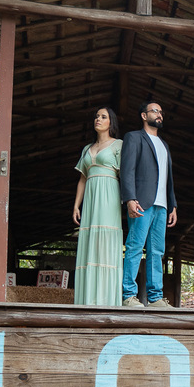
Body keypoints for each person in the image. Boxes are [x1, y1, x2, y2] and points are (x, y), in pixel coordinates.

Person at [120, 101, 177, 308]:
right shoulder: (134, 138)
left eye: (161, 112)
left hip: (162, 206)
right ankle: (128, 295)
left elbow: (168, 178)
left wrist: (173, 205)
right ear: (144, 116)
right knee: (135, 247)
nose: (159, 115)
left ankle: (155, 298)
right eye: (155, 111)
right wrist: (130, 199)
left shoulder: (164, 144)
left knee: (157, 251)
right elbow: (127, 170)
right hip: (141, 202)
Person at [72, 107, 124, 306]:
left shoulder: (119, 145)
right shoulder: (87, 148)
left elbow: (125, 175)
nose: (98, 119)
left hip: (109, 195)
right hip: (90, 198)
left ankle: (107, 301)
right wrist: (77, 205)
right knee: (90, 240)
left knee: (105, 240)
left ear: (112, 122)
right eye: (96, 116)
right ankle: (87, 301)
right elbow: (82, 179)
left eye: (103, 117)